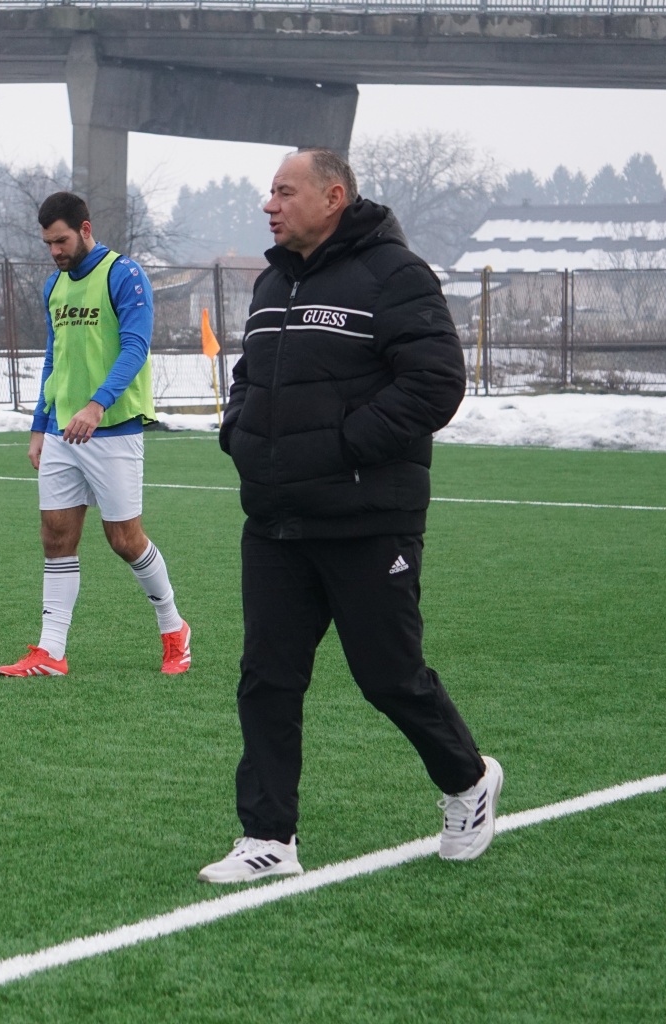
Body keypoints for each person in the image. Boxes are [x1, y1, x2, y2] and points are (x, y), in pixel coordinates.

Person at [199, 149, 501, 884]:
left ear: (333, 197)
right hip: (276, 519)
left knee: (389, 676)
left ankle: (468, 780)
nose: (270, 205)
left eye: (285, 192)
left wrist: (340, 448)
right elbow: (248, 375)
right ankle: (268, 836)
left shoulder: (396, 275)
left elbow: (436, 383)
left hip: (367, 519)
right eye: (269, 193)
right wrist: (239, 431)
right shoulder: (273, 281)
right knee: (266, 678)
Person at [0, 191, 191, 678]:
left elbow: (136, 347)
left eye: (61, 240)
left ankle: (174, 629)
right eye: (48, 243)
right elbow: (54, 358)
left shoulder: (124, 274)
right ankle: (51, 652)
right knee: (56, 536)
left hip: (113, 429)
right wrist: (39, 425)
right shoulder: (54, 286)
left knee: (124, 540)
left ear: (85, 229)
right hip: (62, 431)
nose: (55, 251)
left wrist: (97, 404)